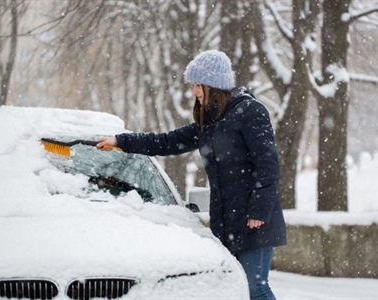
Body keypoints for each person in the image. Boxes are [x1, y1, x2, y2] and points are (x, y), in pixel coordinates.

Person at [97, 50, 286, 300]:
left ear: (214, 85)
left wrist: (259, 211)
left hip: (255, 221)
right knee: (234, 291)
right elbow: (166, 142)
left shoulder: (250, 111)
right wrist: (121, 140)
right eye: (193, 85)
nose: (195, 91)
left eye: (198, 85)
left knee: (255, 289)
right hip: (227, 222)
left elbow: (268, 164)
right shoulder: (209, 122)